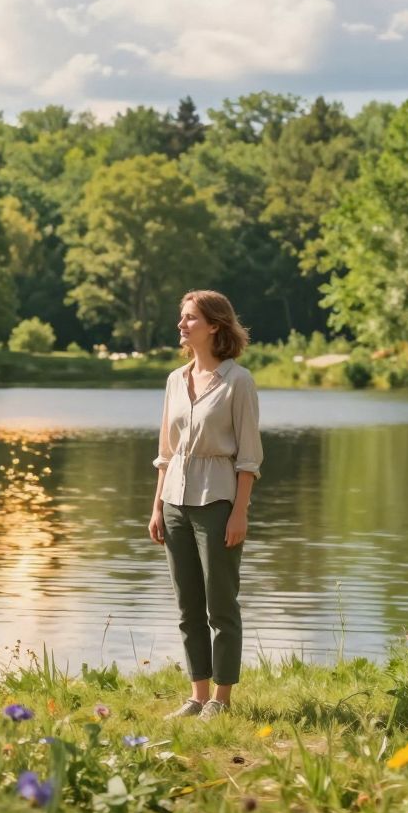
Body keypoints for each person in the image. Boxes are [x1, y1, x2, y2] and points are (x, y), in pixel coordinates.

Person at [148, 289, 262, 720]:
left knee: (221, 604)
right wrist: (157, 507)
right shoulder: (175, 381)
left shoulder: (239, 382)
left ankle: (222, 699)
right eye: (182, 317)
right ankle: (197, 696)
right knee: (187, 605)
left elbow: (249, 457)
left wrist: (239, 512)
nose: (182, 325)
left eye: (191, 318)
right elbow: (165, 451)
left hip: (218, 502)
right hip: (175, 500)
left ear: (214, 325)